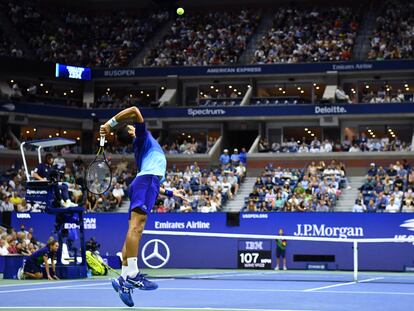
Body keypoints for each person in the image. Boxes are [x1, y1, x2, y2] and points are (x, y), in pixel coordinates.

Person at [100, 106, 186, 307]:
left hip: (147, 182)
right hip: (146, 182)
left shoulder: (142, 147)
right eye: (131, 126)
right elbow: (135, 110)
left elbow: (152, 179)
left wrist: (172, 193)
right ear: (131, 132)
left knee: (133, 229)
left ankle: (123, 280)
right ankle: (133, 273)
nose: (133, 125)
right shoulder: (141, 136)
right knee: (136, 229)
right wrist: (109, 125)